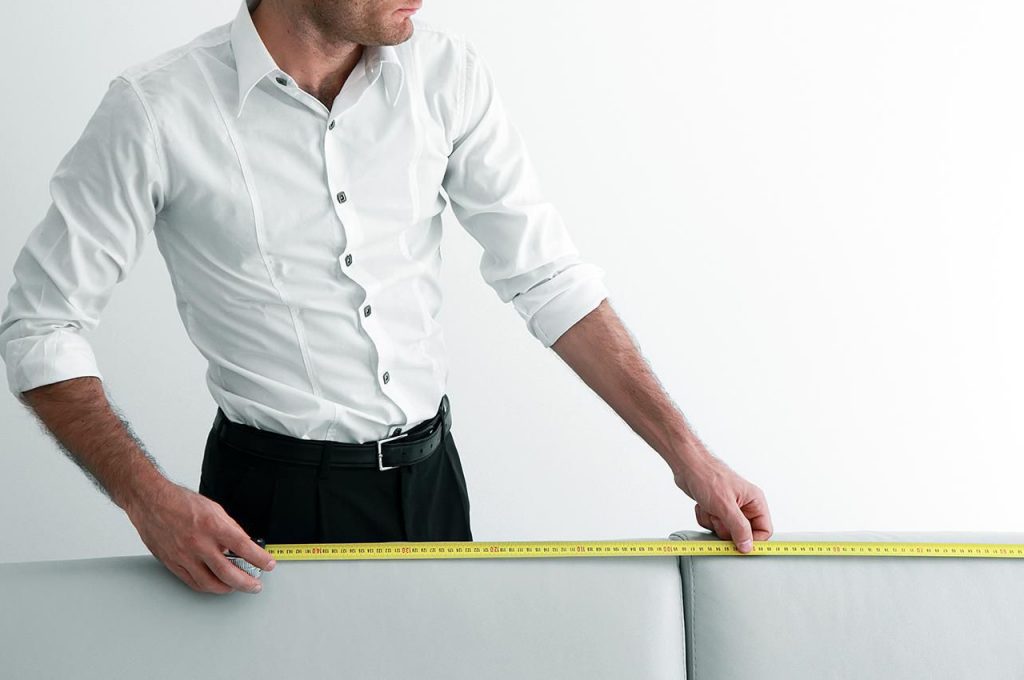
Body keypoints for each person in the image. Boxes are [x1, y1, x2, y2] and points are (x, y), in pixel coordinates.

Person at [0, 0, 773, 596]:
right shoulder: (156, 109)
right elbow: (41, 326)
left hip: (432, 483)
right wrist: (147, 500)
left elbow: (547, 278)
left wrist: (690, 457)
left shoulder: (447, 78)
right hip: (268, 507)